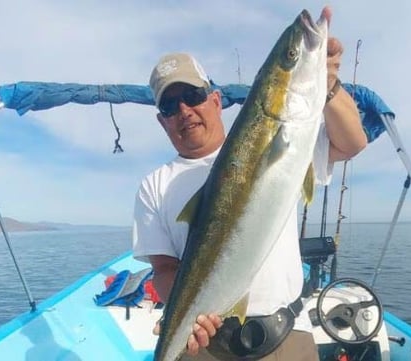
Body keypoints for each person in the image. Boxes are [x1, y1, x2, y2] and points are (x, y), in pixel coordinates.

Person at [132, 37, 366, 360]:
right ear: (162, 121)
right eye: (170, 106)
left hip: (286, 336)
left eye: (193, 95)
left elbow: (353, 141)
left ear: (215, 100)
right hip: (205, 346)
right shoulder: (154, 186)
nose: (184, 110)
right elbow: (163, 268)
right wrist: (189, 317)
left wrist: (327, 85)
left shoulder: (289, 138)